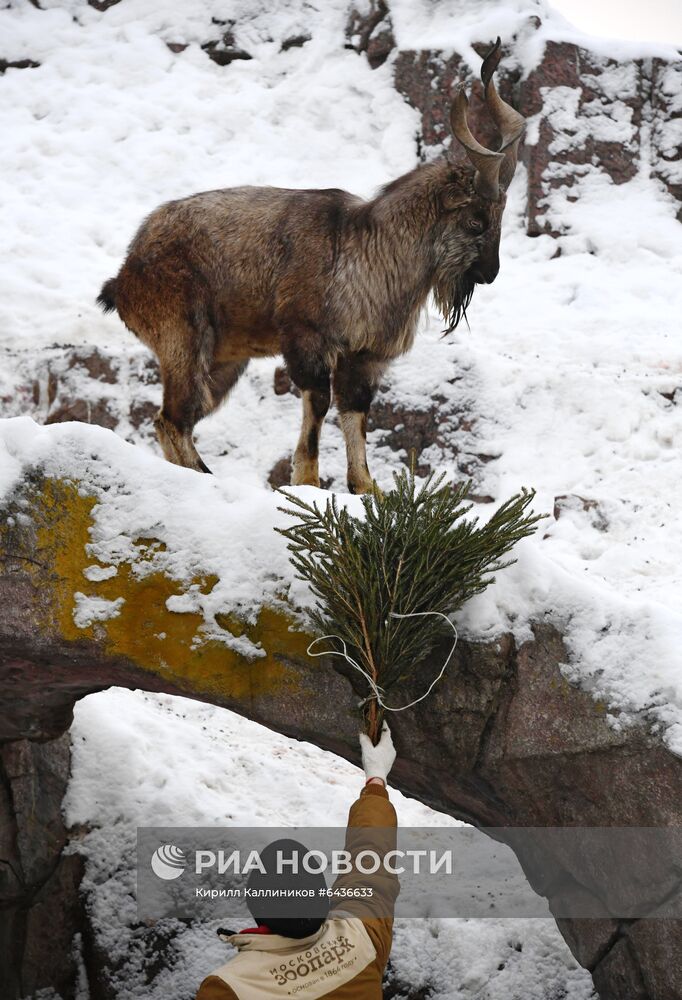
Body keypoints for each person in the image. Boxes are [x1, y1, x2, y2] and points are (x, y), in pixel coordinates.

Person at [196, 723, 398, 999]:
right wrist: (376, 777)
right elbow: (372, 859)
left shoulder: (229, 988)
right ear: (323, 898)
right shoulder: (362, 935)